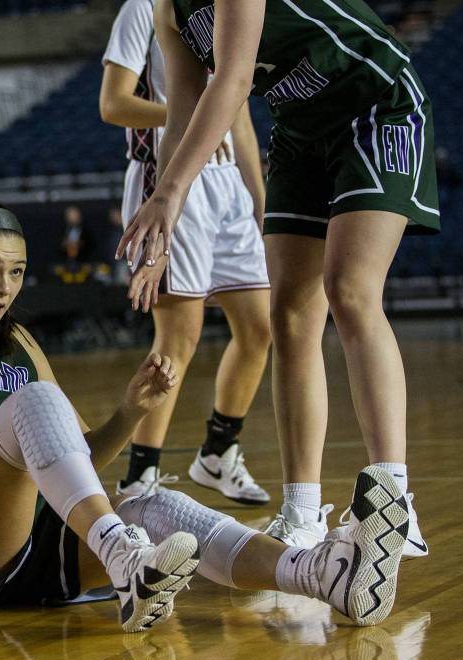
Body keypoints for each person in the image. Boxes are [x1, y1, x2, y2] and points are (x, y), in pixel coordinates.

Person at [0, 199, 409, 632]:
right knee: (37, 405)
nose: (4, 287)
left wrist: (131, 413)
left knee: (155, 506)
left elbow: (75, 461)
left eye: (17, 273)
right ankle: (122, 558)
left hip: (26, 547)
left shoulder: (20, 344)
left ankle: (315, 575)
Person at [120, 0, 437, 557]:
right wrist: (162, 219)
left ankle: (393, 500)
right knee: (289, 314)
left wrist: (171, 194)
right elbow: (183, 111)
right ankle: (301, 513)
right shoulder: (165, 9)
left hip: (371, 102)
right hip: (300, 130)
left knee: (350, 290)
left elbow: (235, 80)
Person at [100, 0, 272, 504]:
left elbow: (235, 111)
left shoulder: (225, 7)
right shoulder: (142, 8)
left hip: (229, 187)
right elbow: (113, 104)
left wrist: (261, 203)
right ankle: (139, 478)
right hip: (169, 173)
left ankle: (218, 452)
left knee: (260, 327)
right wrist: (192, 114)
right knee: (180, 334)